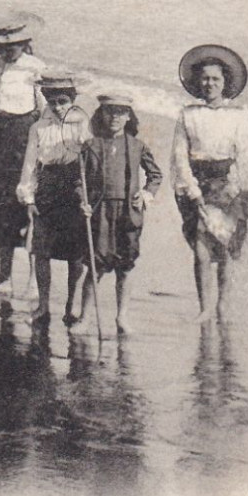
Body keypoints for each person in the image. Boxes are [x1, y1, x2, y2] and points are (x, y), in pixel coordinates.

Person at [171, 44, 248, 321]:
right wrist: (192, 189)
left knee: (225, 245)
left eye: (215, 79)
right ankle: (205, 307)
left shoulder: (238, 114)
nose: (210, 84)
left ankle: (222, 306)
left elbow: (246, 154)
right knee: (200, 247)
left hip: (227, 184)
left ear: (225, 82)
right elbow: (179, 156)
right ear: (197, 80)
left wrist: (240, 187)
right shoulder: (188, 114)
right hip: (196, 183)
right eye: (205, 78)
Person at [0, 14, 48, 289]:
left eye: (11, 47)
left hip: (26, 138)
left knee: (27, 206)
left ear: (24, 43)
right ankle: (4, 277)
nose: (5, 52)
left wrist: (41, 148)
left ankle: (32, 281)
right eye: (1, 47)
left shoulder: (35, 69)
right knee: (1, 208)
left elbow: (44, 111)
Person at [76, 91, 162, 332]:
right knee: (96, 266)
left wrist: (146, 194)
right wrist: (82, 200)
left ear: (128, 117)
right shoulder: (90, 146)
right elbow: (77, 180)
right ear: (100, 114)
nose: (114, 117)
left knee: (125, 266)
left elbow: (156, 175)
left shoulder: (137, 146)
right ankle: (85, 318)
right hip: (99, 212)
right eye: (109, 111)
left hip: (128, 212)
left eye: (120, 112)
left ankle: (122, 317)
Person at [15, 72, 91, 323]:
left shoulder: (83, 126)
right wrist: (28, 197)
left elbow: (90, 162)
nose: (58, 107)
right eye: (53, 102)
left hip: (74, 187)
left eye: (63, 101)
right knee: (42, 250)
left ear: (72, 100)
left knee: (75, 253)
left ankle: (71, 304)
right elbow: (29, 164)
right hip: (47, 187)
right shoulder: (38, 128)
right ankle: (43, 306)